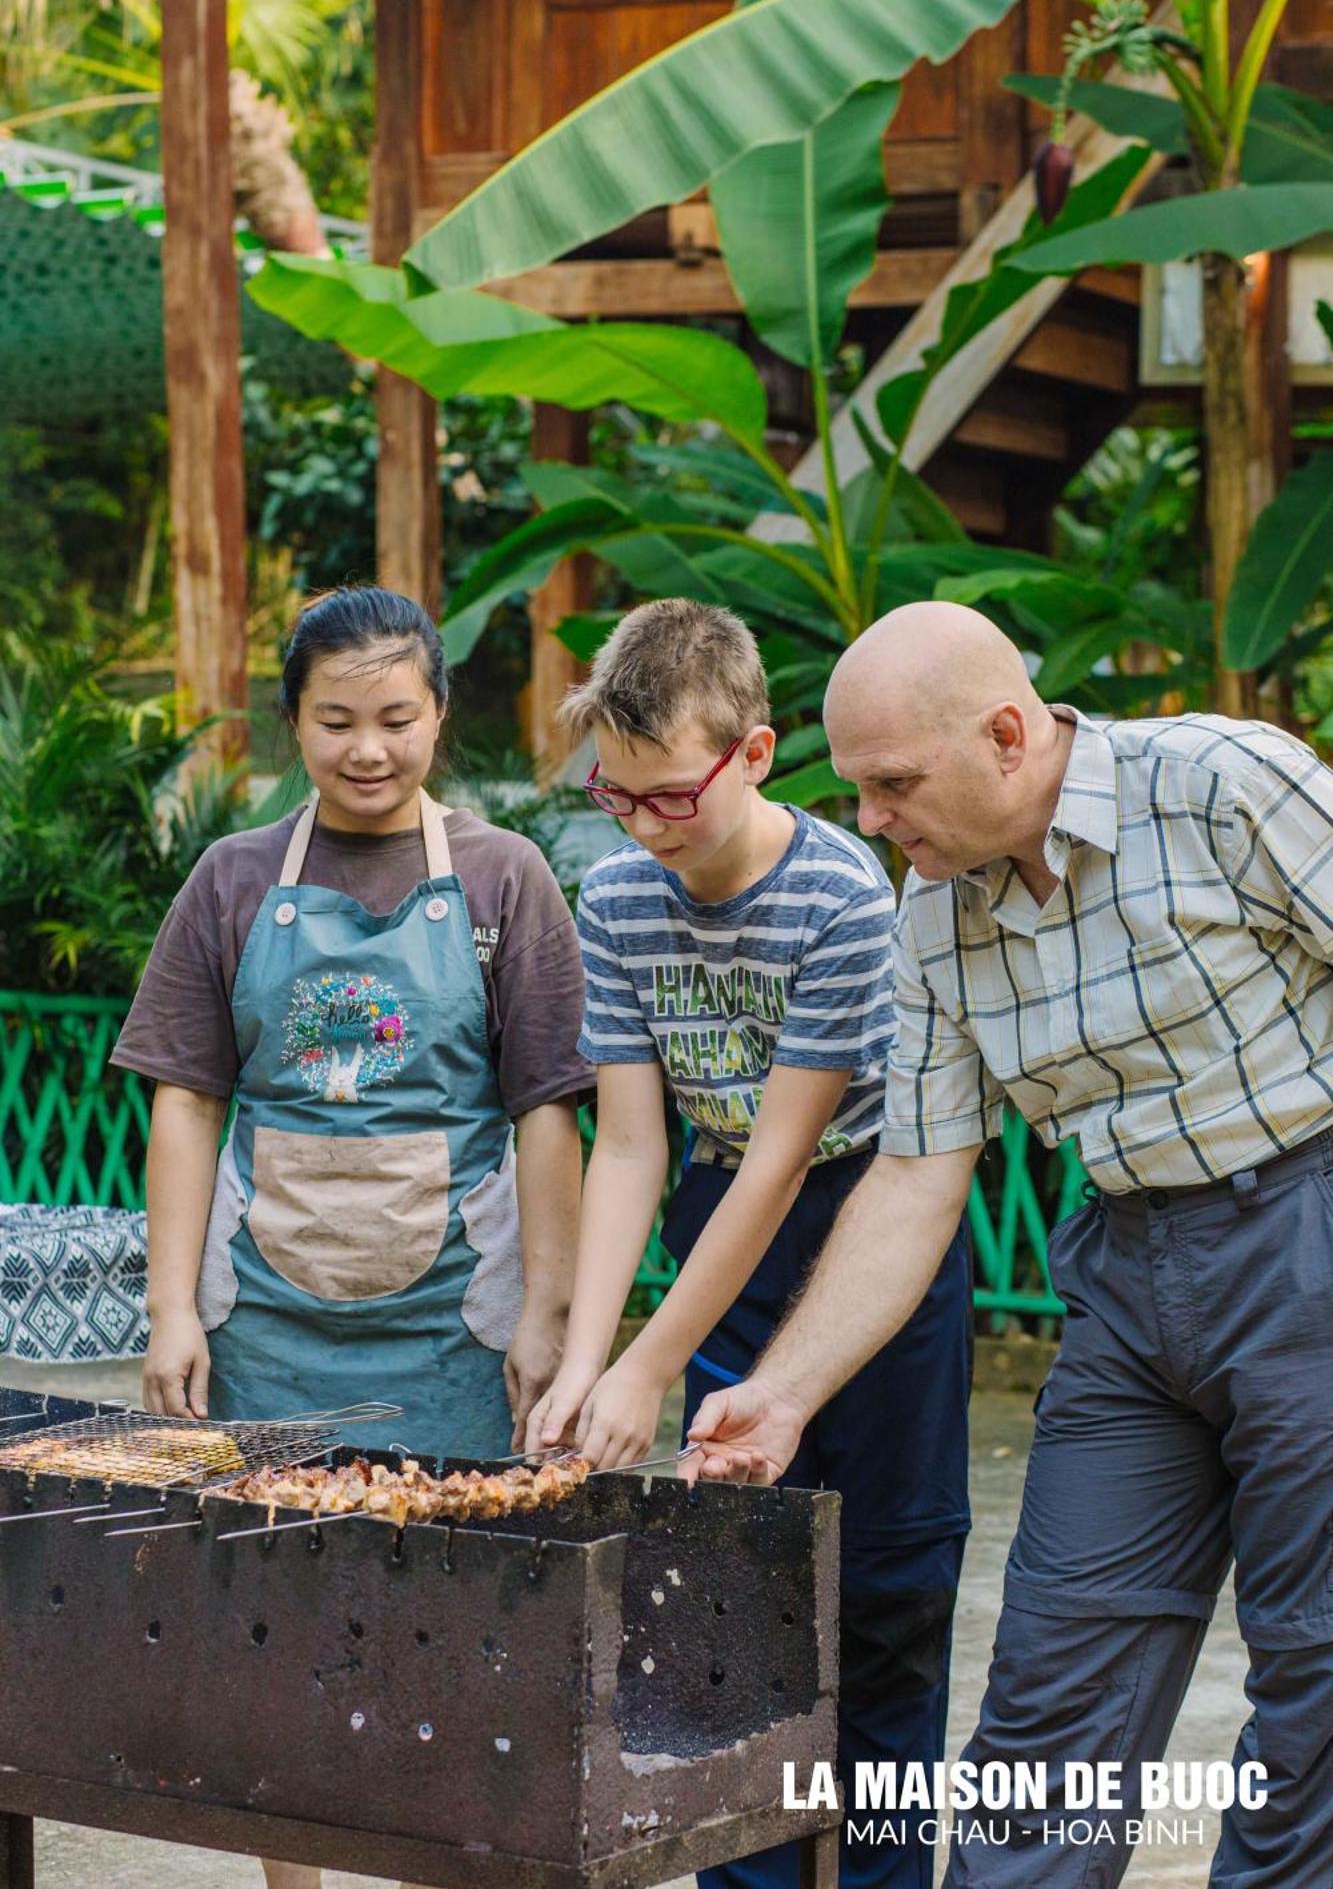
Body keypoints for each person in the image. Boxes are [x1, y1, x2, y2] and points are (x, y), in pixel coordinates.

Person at [687, 599, 1333, 1888]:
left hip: (1310, 1234)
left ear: (1006, 734)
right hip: (1131, 1284)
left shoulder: (1219, 785)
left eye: (892, 784)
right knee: (1049, 1692)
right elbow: (920, 1175)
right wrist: (783, 1393)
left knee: (1318, 1688)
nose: (868, 818)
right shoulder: (933, 918)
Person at [112, 586, 590, 1889]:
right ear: (292, 727)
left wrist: (548, 1319)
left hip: (452, 1322)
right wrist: (170, 1311)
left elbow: (551, 1113)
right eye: (335, 721)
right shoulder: (230, 880)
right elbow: (186, 1101)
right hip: (263, 1315)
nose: (366, 750)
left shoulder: (503, 878)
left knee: (451, 1621)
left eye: (396, 717)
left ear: (441, 714)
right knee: (279, 1618)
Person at [526, 598, 972, 1889]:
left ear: (756, 753)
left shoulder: (839, 891)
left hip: (865, 1234)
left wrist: (647, 1370)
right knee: (726, 1597)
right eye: (618, 798)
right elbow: (628, 1145)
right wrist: (591, 1357)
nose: (646, 826)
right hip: (712, 1221)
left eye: (671, 796)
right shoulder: (613, 894)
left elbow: (786, 1157)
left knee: (887, 1592)